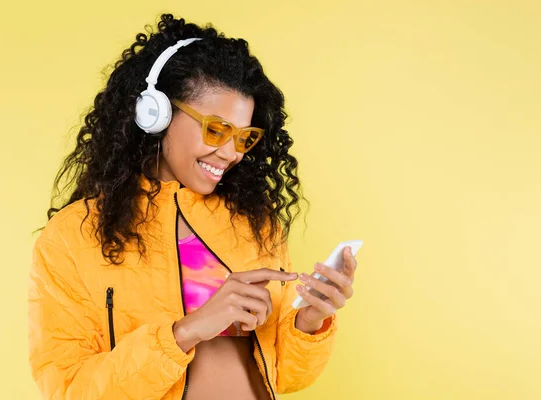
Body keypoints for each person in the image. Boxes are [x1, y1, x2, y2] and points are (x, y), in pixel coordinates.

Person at [28, 13, 358, 400]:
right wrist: (187, 331)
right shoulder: (73, 237)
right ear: (156, 114)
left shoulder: (254, 223)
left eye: (244, 138)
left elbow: (284, 377)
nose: (230, 153)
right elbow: (69, 389)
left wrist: (309, 320)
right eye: (216, 130)